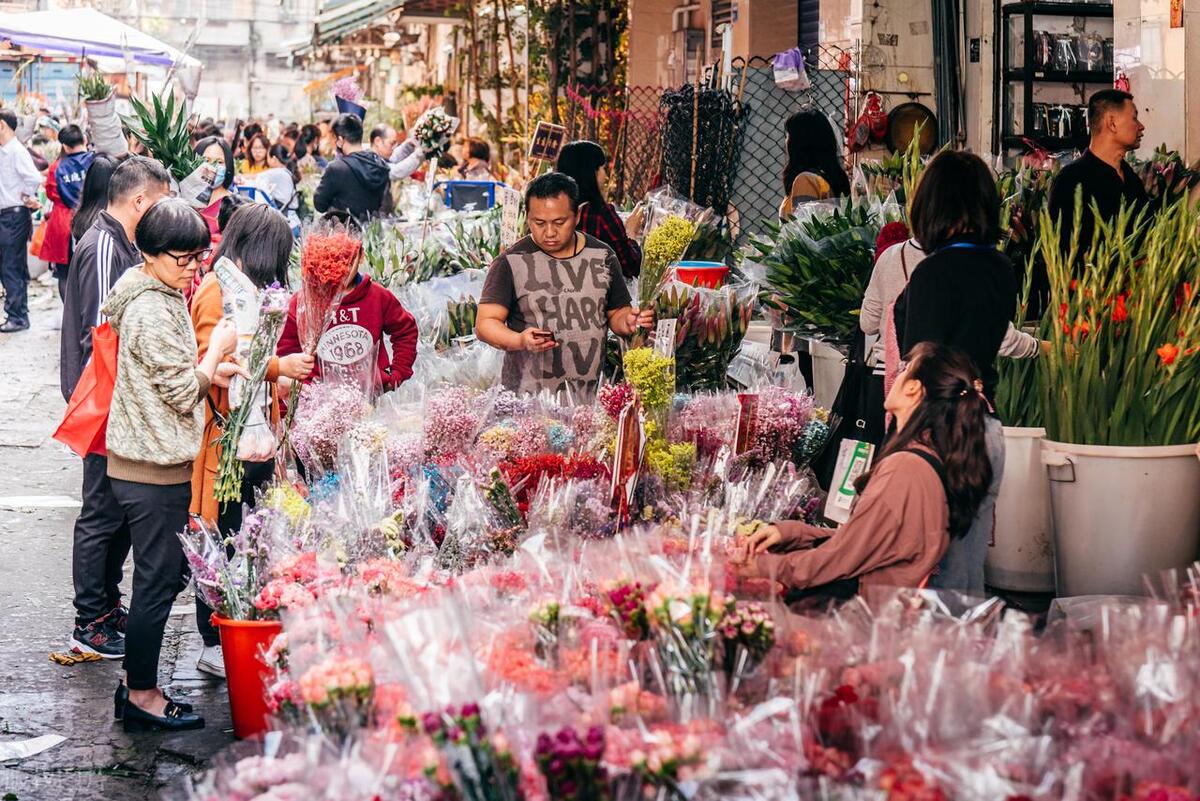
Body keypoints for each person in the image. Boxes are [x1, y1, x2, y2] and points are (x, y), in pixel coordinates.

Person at [104, 198, 246, 732]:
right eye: (182, 258)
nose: (192, 268)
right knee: (158, 583)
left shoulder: (159, 293)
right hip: (150, 466)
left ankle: (137, 686)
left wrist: (213, 365)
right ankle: (141, 694)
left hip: (153, 457)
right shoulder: (149, 308)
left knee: (160, 577)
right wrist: (216, 354)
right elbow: (185, 391)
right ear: (150, 253)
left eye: (198, 257)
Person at [734, 343, 993, 597]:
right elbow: (863, 543)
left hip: (866, 619)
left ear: (914, 388)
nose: (895, 374)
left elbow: (842, 559)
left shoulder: (905, 469)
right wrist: (791, 533)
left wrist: (763, 567)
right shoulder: (925, 460)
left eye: (905, 368)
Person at [189, 204, 313, 676]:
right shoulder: (216, 292)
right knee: (218, 538)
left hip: (253, 438)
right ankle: (213, 638)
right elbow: (216, 365)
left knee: (247, 535)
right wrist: (279, 368)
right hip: (225, 443)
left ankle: (242, 624)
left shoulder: (245, 288)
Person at [61, 156, 171, 658]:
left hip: (116, 401)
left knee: (117, 513)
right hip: (106, 400)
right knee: (102, 513)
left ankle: (106, 604)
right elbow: (104, 336)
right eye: (162, 202)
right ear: (140, 200)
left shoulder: (117, 241)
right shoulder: (105, 245)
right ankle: (90, 619)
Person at [893, 150, 1016, 593]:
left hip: (940, 433)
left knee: (930, 577)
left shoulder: (934, 273)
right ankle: (972, 659)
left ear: (933, 204)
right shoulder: (1002, 269)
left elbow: (922, 361)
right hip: (985, 428)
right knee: (967, 571)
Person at [476, 173, 655, 396]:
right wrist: (519, 340)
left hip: (588, 398)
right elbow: (485, 323)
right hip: (528, 402)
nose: (549, 232)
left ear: (577, 215)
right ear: (527, 216)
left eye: (559, 222)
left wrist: (629, 322)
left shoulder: (602, 255)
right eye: (539, 223)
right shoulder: (510, 261)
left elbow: (616, 312)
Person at [276, 216, 418, 392]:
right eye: (332, 261)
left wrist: (396, 374)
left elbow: (405, 330)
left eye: (347, 261)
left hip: (370, 398)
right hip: (317, 403)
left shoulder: (378, 296)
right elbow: (286, 352)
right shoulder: (302, 302)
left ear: (361, 256)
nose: (341, 271)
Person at [1047, 89, 1148, 256]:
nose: (1141, 126)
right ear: (1112, 123)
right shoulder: (1071, 180)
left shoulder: (1131, 179)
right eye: (1134, 118)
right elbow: (1060, 252)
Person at [556, 140, 642, 279]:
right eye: (603, 169)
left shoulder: (551, 212)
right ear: (592, 172)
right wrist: (630, 234)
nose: (605, 176)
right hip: (594, 298)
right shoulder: (600, 214)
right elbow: (630, 267)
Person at [0, 108, 44, 332]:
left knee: (11, 266)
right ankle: (17, 313)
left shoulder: (16, 151)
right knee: (8, 266)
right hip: (8, 215)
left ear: (2, 126)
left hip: (14, 215)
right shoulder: (5, 151)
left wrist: (26, 196)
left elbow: (34, 177)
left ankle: (17, 316)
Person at [41, 124, 95, 297]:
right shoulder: (95, 162)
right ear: (84, 140)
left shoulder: (56, 167)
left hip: (63, 223)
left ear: (64, 145)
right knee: (90, 273)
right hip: (92, 220)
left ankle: (69, 317)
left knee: (64, 274)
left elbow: (51, 193)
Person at [312, 114, 390, 221]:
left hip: (344, 234)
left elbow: (320, 205)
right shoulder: (380, 165)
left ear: (340, 140)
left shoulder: (336, 168)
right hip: (373, 232)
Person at [778, 109, 851, 219]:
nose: (786, 141)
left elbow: (803, 230)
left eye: (789, 135)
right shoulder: (830, 178)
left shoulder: (805, 180)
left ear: (799, 143)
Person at [194, 136, 236, 237]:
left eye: (219, 162)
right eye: (206, 160)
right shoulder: (183, 198)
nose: (212, 166)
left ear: (228, 166)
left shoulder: (233, 206)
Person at [254, 145, 302, 229]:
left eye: (268, 157)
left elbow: (255, 177)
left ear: (274, 159)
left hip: (288, 223)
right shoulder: (285, 171)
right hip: (292, 220)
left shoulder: (278, 172)